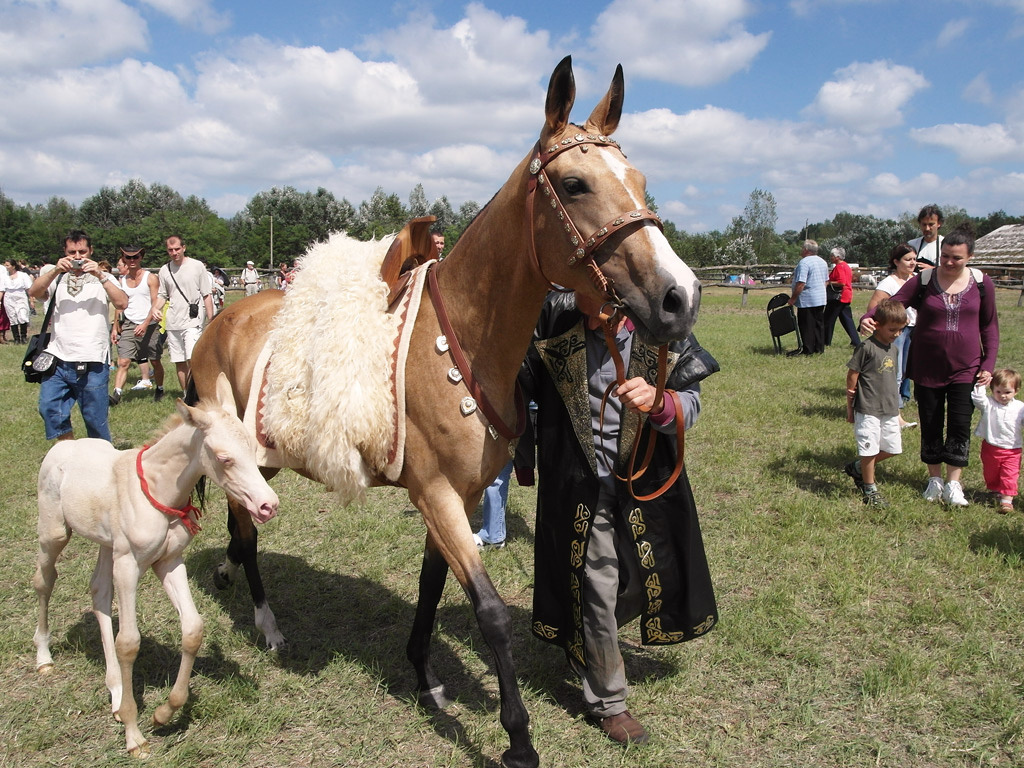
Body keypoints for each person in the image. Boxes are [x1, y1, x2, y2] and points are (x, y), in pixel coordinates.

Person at [521, 291, 719, 746]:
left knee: (638, 582)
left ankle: (592, 638)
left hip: (645, 485)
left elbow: (692, 402)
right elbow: (514, 381)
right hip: (579, 487)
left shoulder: (660, 331)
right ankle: (610, 701)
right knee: (599, 584)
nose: (584, 297)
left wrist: (660, 401)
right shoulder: (555, 321)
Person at [860, 224, 998, 506]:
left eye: (956, 258)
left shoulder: (983, 283)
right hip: (926, 365)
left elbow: (990, 326)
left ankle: (954, 484)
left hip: (966, 367)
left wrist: (988, 363)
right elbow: (894, 302)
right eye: (945, 255)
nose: (948, 262)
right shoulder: (924, 279)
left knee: (959, 424)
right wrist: (869, 316)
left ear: (969, 256)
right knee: (931, 422)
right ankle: (934, 479)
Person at [27, 230, 128, 441]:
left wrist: (100, 275)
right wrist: (55, 270)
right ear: (65, 252)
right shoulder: (58, 276)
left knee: (95, 420)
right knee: (50, 409)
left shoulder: (105, 277)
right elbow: (35, 293)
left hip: (92, 360)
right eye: (72, 252)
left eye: (82, 251)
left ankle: (100, 462)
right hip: (58, 358)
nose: (77, 257)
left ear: (91, 251)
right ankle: (68, 450)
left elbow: (122, 303)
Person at [843, 299, 907, 507]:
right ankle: (870, 488)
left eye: (900, 330)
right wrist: (850, 405)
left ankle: (857, 467)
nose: (896, 334)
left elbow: (892, 381)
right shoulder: (866, 347)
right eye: (892, 330)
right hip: (868, 408)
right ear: (877, 324)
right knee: (869, 450)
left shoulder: (894, 349)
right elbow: (853, 374)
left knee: (894, 448)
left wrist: (896, 409)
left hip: (888, 408)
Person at [864, 244, 919, 428]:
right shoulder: (889, 283)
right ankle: (896, 417)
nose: (912, 263)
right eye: (908, 259)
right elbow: (873, 308)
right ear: (896, 262)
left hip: (914, 329)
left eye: (914, 259)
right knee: (894, 372)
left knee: (905, 372)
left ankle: (894, 406)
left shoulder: (918, 279)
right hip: (897, 333)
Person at [151, 235, 214, 393]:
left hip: (193, 320)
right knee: (179, 361)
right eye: (170, 250)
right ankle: (187, 394)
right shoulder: (165, 270)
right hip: (173, 321)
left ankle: (199, 392)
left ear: (184, 248)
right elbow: (162, 295)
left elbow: (207, 294)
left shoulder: (197, 266)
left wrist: (211, 320)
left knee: (192, 359)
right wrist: (155, 308)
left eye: (177, 249)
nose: (174, 253)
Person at [110, 245, 165, 405]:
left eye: (135, 257)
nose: (132, 260)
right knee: (124, 361)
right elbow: (120, 305)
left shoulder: (150, 278)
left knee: (154, 360)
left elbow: (155, 303)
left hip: (150, 324)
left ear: (141, 257)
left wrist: (145, 323)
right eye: (128, 257)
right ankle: (116, 394)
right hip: (129, 324)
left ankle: (160, 388)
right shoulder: (123, 280)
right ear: (124, 259)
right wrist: (115, 327)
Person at [971, 369, 1024, 514]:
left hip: (1013, 450)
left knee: (1010, 475)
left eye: (1007, 392)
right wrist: (982, 383)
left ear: (1016, 391)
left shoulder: (1020, 407)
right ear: (992, 389)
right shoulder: (989, 403)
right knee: (991, 473)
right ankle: (995, 491)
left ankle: (1007, 501)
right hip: (991, 447)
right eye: (998, 392)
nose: (1002, 396)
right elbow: (977, 398)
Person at [786, 240, 829, 356]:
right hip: (820, 298)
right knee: (818, 324)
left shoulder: (804, 263)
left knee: (806, 325)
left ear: (806, 250)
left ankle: (808, 349)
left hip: (807, 299)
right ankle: (819, 348)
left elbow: (801, 283)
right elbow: (826, 281)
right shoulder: (823, 262)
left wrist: (793, 299)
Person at [823, 246, 860, 348]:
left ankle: (826, 342)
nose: (830, 257)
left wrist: (828, 282)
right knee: (847, 320)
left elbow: (841, 282)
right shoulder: (846, 266)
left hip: (838, 297)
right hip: (846, 296)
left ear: (837, 257)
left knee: (828, 319)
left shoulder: (840, 267)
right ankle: (856, 341)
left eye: (832, 255)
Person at [1, 259, 33, 344]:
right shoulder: (4, 276)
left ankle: (23, 337)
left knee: (22, 316)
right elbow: (1, 290)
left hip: (20, 295)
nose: (6, 267)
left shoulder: (23, 275)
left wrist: (32, 300)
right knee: (12, 317)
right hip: (9, 297)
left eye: (7, 265)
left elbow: (29, 289)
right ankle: (16, 339)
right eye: (5, 265)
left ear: (13, 266)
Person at [908, 204, 943, 269]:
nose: (927, 228)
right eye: (924, 224)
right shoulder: (911, 245)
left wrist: (932, 270)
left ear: (939, 224)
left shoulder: (946, 245)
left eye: (931, 224)